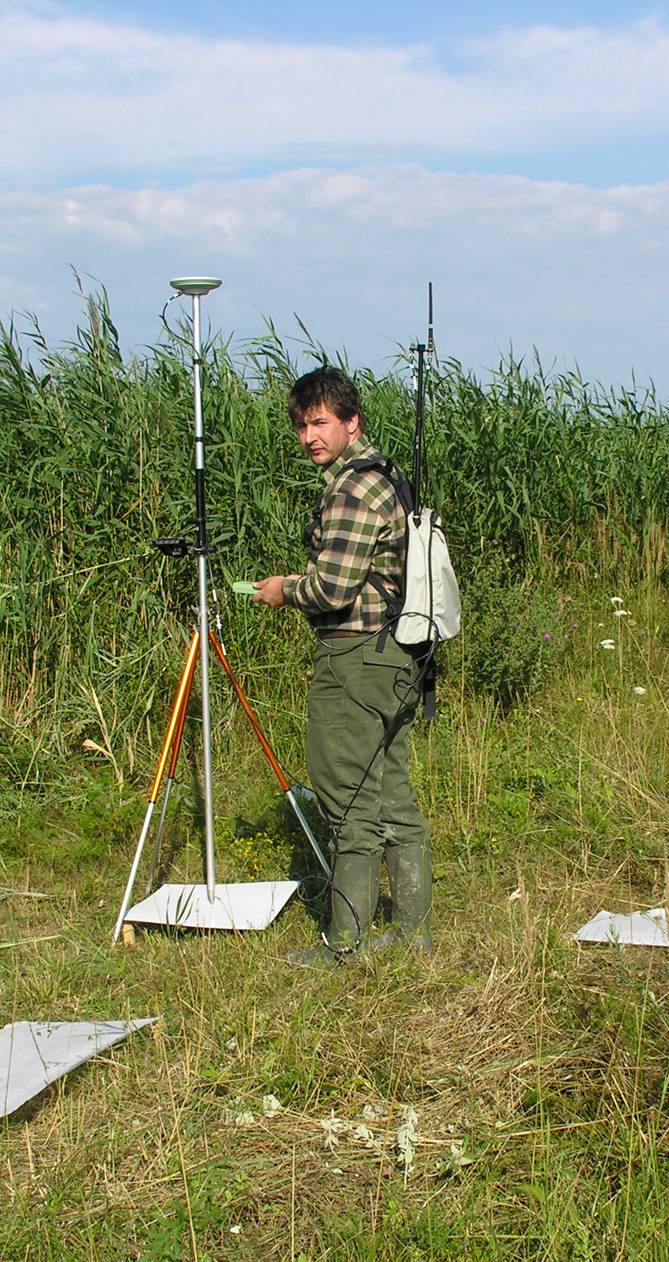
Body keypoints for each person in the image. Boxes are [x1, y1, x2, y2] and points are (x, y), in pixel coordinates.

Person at [251, 366, 431, 965]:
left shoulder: (353, 488)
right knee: (394, 798)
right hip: (399, 656)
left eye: (320, 422)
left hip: (356, 657)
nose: (309, 436)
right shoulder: (387, 477)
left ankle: (345, 945)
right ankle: (411, 934)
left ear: (351, 423)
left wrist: (282, 588)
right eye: (301, 425)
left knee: (347, 799)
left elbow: (332, 587)